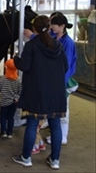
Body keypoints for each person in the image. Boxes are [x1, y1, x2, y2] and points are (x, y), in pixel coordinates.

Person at [11, 15, 68, 170]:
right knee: (55, 125)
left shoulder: (32, 46)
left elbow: (25, 66)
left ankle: (26, 157)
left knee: (32, 124)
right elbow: (65, 67)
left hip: (37, 92)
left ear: (34, 28)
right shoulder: (58, 45)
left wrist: (16, 59)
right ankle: (55, 160)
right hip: (57, 92)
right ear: (49, 28)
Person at [46, 13, 77, 145]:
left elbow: (67, 65)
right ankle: (55, 132)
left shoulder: (68, 43)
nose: (52, 27)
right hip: (53, 79)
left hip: (62, 81)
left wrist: (60, 83)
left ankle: (63, 135)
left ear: (62, 26)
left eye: (54, 25)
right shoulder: (53, 37)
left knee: (63, 108)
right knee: (53, 108)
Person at [0, 58, 21, 139]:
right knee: (11, 117)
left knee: (3, 117)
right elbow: (20, 91)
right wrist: (16, 97)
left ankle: (3, 132)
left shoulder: (3, 79)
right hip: (14, 102)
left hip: (4, 101)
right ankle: (10, 132)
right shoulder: (18, 80)